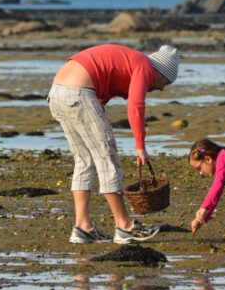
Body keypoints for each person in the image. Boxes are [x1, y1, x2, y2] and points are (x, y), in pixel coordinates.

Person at [48, 44, 181, 245]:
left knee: (85, 161)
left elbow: (104, 89)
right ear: (159, 71)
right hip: (78, 92)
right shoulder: (144, 65)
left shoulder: (131, 63)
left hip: (58, 93)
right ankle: (125, 226)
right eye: (165, 82)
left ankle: (82, 228)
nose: (162, 88)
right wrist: (140, 146)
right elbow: (136, 106)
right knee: (107, 159)